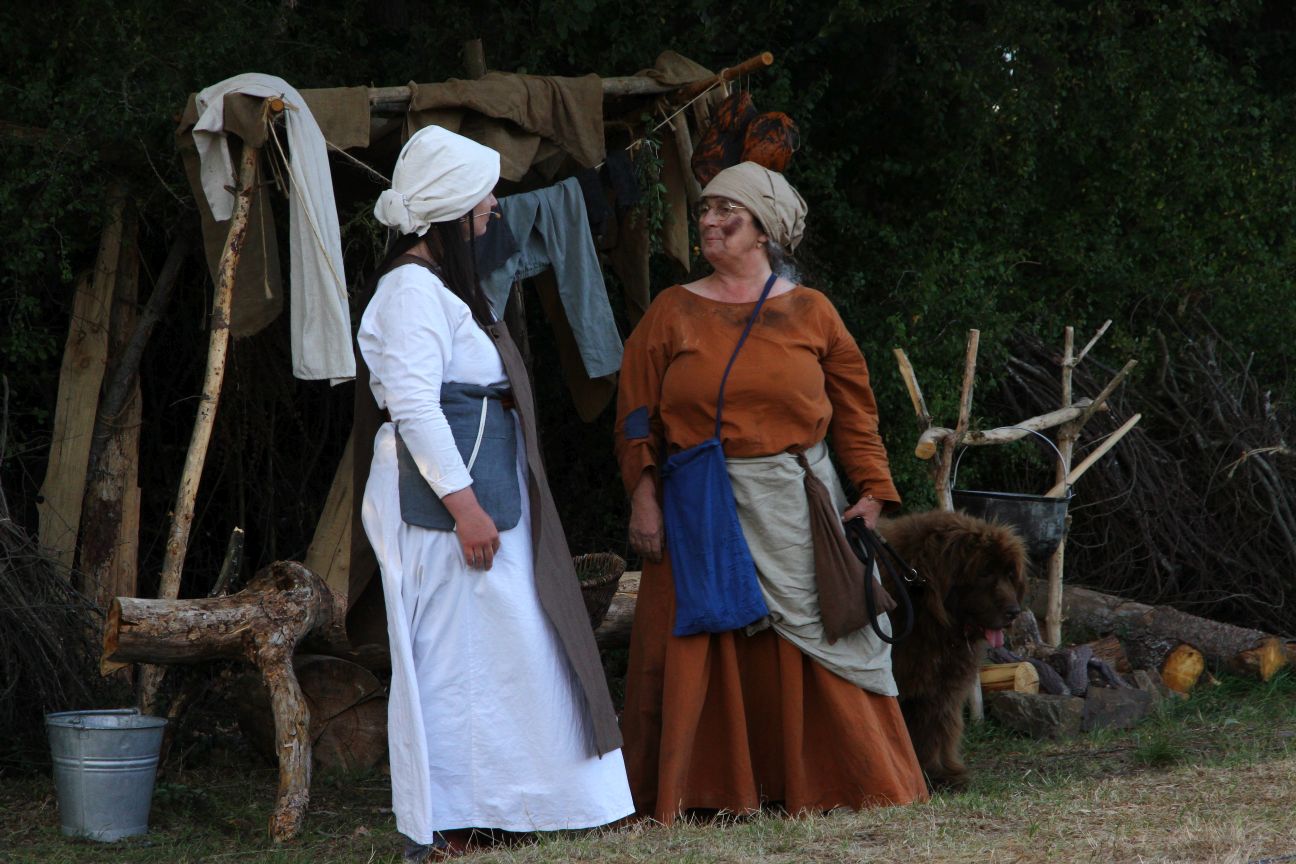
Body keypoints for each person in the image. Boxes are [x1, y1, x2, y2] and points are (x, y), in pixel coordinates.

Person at [615, 161, 929, 823]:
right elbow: (636, 413)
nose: (708, 222)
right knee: (700, 641)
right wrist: (643, 495)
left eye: (726, 211)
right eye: (705, 210)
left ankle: (845, 780)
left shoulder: (812, 312)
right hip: (697, 504)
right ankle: (704, 793)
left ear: (764, 230)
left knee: (825, 633)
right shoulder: (671, 312)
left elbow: (855, 412)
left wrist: (873, 490)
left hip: (796, 502)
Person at [359, 125, 634, 860]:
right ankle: (446, 820)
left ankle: (503, 807)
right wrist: (465, 509)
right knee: (453, 654)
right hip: (453, 504)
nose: (492, 210)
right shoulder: (410, 292)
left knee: (504, 646)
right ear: (448, 213)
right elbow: (415, 407)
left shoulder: (439, 286)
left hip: (482, 490)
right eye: (482, 200)